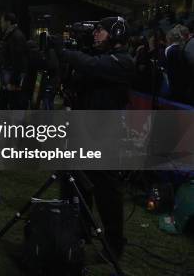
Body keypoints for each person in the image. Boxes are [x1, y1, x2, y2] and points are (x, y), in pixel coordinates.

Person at [55, 16, 135, 259]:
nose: (95, 34)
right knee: (77, 184)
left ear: (116, 34)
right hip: (85, 130)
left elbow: (91, 66)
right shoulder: (95, 56)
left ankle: (113, 244)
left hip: (106, 135)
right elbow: (76, 79)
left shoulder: (123, 61)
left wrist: (66, 52)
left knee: (107, 192)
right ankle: (80, 232)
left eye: (101, 31)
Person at [0, 12, 29, 110]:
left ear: (8, 22)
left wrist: (14, 82)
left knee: (8, 107)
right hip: (9, 79)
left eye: (2, 22)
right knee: (4, 107)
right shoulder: (11, 35)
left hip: (12, 80)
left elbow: (19, 60)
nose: (1, 25)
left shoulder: (16, 36)